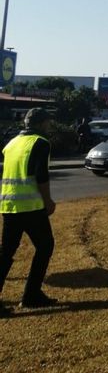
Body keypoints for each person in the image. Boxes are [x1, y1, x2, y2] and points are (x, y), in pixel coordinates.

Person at [0, 107, 57, 311]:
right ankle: (31, 294)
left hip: (9, 205)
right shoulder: (40, 143)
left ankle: (31, 295)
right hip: (31, 207)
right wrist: (48, 201)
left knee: (6, 253)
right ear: (41, 123)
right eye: (48, 122)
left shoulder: (11, 143)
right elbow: (41, 176)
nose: (49, 126)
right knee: (45, 246)